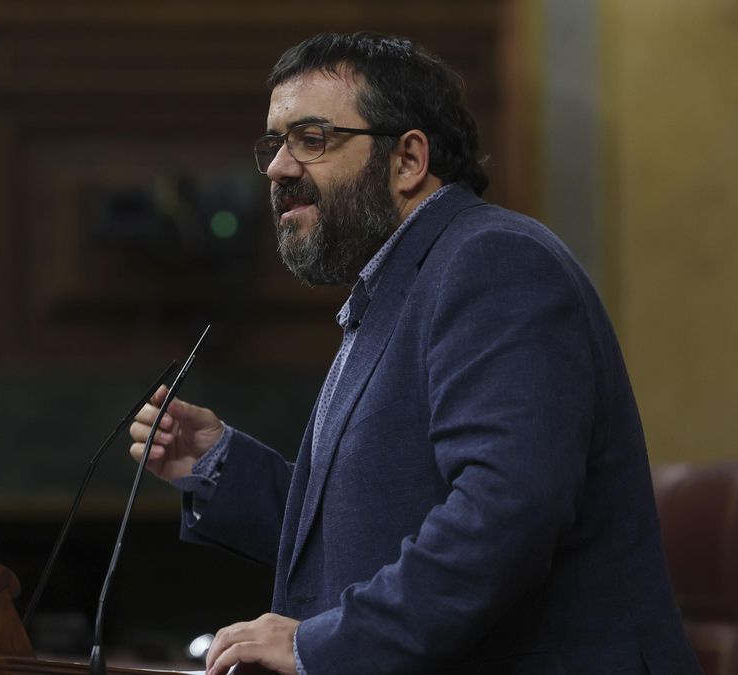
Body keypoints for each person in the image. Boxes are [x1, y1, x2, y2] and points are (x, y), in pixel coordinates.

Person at [129, 32, 700, 675]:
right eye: (274, 144)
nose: (278, 169)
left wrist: (315, 645)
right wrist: (217, 466)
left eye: (311, 139)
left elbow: (505, 512)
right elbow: (366, 533)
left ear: (407, 158)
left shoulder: (493, 262)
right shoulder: (399, 288)